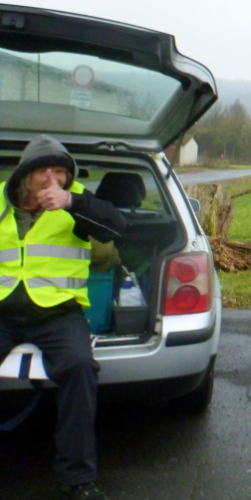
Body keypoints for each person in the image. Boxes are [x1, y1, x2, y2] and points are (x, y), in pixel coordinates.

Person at [0, 136, 126, 500]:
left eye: (60, 172)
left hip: (58, 313)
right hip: (3, 310)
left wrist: (72, 202)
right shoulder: (2, 199)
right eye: (44, 171)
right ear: (25, 175)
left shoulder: (78, 199)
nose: (53, 180)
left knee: (80, 367)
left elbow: (116, 226)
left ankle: (76, 480)